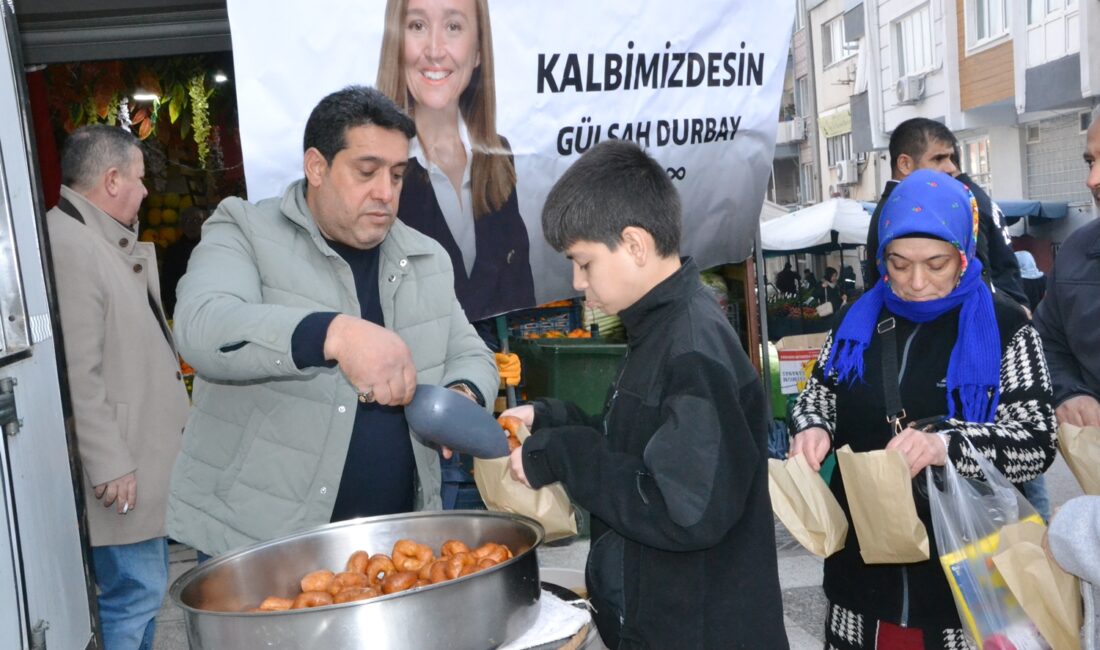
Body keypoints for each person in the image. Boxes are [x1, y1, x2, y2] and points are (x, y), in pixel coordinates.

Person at [165, 86, 498, 557]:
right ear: (316, 167)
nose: (385, 192)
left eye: (398, 175)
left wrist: (459, 398)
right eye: (367, 172)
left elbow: (471, 353)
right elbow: (202, 328)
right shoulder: (244, 230)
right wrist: (333, 333)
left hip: (396, 547)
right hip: (259, 549)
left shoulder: (426, 258)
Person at [504, 139, 788, 649]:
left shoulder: (692, 348)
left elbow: (681, 509)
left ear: (634, 244)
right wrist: (549, 419)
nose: (576, 281)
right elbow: (635, 444)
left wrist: (566, 454)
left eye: (583, 262)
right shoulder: (659, 329)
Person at [790, 169, 1057, 650]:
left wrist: (945, 444)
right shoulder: (858, 321)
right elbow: (820, 393)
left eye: (935, 264)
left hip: (964, 576)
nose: (915, 281)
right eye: (898, 263)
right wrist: (812, 427)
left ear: (963, 253)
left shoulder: (1006, 327)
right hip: (864, 571)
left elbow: (1036, 443)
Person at [47, 125, 191, 650]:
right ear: (111, 180)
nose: (146, 190)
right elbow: (76, 372)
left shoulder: (90, 238)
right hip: (119, 474)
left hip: (135, 466)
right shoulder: (73, 244)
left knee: (142, 597)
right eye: (139, 177)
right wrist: (110, 461)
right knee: (133, 596)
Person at [376, 0, 534, 342]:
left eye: (453, 27)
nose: (434, 50)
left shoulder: (499, 155)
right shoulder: (372, 166)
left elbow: (517, 293)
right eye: (417, 26)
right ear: (395, 43)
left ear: (478, 51)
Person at [864, 118, 1028, 308]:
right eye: (938, 158)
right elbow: (978, 279)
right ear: (905, 165)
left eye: (951, 158)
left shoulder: (936, 204)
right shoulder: (909, 213)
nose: (951, 168)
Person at [1034, 105, 1100, 431]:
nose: (1092, 180)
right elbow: (1047, 343)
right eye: (1090, 162)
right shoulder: (1075, 253)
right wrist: (1069, 392)